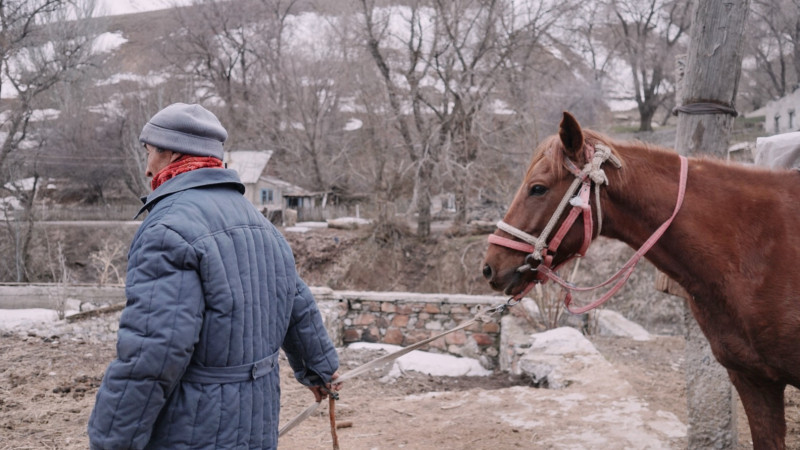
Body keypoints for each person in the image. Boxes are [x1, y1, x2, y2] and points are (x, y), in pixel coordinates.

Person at [88, 103, 340, 449]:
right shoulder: (260, 223)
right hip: (257, 423)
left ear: (173, 153)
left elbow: (152, 353)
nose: (148, 169)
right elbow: (297, 301)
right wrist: (320, 370)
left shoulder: (167, 230)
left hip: (193, 429)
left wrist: (111, 442)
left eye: (150, 154)